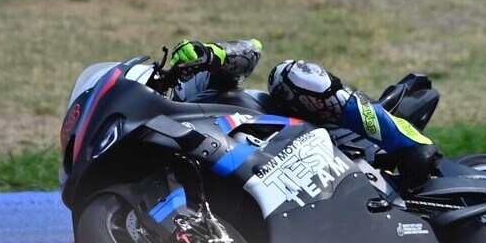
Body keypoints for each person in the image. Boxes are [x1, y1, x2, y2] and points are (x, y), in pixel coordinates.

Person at [167, 39, 441, 191]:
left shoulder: (177, 90)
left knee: (287, 75)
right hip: (267, 183)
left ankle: (410, 144)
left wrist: (213, 54)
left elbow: (252, 50)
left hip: (296, 133)